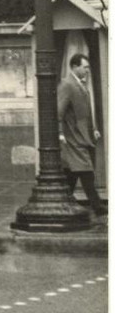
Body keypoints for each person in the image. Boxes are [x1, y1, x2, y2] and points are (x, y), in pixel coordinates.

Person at [58, 54, 107, 217]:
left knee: (73, 172)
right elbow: (59, 111)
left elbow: (84, 112)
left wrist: (93, 128)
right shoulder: (67, 84)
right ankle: (97, 206)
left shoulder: (78, 84)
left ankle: (63, 202)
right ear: (74, 67)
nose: (87, 70)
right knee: (85, 170)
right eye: (84, 67)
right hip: (73, 137)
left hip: (81, 135)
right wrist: (59, 133)